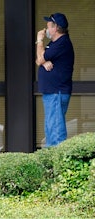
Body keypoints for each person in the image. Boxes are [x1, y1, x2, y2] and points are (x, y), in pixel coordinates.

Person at [36, 13, 74, 147]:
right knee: (50, 128)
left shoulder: (62, 43)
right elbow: (38, 59)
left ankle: (58, 163)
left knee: (56, 130)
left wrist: (39, 40)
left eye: (49, 25)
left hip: (56, 92)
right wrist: (43, 62)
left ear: (56, 28)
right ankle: (51, 163)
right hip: (52, 92)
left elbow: (40, 58)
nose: (45, 28)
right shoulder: (54, 43)